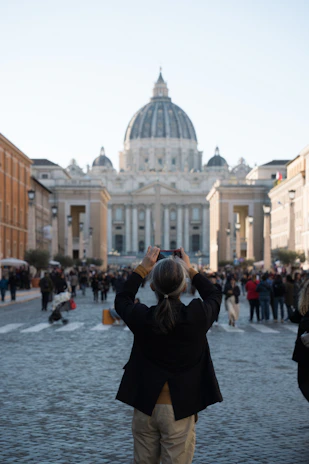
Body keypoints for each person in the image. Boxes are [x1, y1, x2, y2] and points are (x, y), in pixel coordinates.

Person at [115, 246, 222, 463]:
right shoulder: (197, 316)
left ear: (153, 286)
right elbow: (214, 294)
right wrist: (191, 270)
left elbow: (122, 299)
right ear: (184, 287)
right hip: (179, 406)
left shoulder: (142, 316)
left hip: (145, 404)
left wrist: (142, 269)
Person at [289, 279, 309, 402]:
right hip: (304, 353)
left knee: (305, 384)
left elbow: (296, 319)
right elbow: (294, 318)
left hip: (305, 353)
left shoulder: (303, 310)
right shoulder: (303, 309)